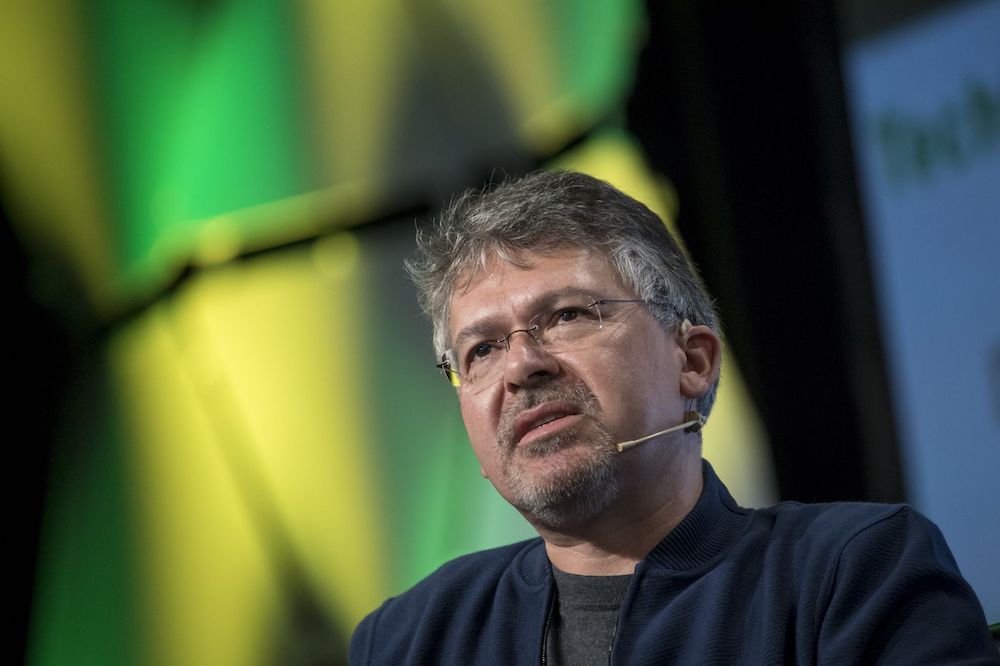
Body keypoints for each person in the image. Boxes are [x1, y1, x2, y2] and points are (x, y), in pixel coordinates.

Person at [349, 170, 998, 664]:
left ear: (692, 361)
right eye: (482, 349)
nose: (521, 365)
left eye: (567, 315)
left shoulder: (853, 576)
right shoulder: (410, 640)